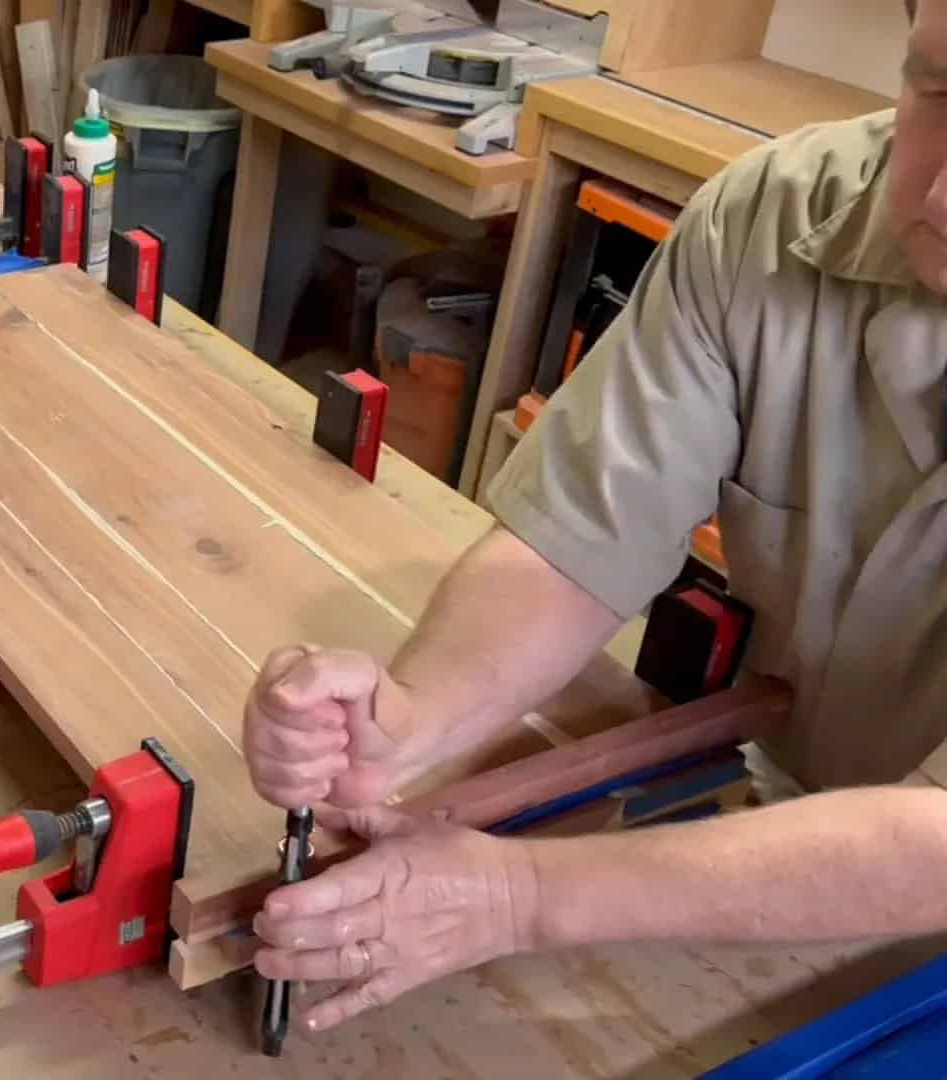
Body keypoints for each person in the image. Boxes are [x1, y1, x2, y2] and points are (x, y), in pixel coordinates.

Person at [245, 0, 947, 1034]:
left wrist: (521, 897)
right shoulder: (777, 215)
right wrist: (409, 722)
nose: (938, 190)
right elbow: (576, 540)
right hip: (793, 826)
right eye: (938, 87)